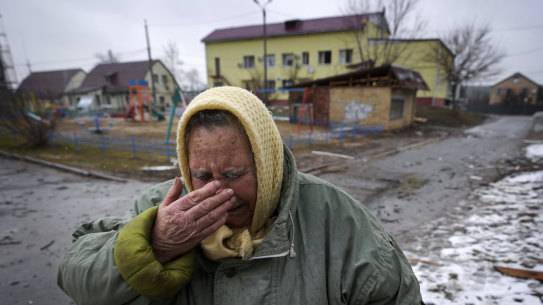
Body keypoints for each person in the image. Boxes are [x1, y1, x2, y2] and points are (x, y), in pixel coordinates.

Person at [58, 86, 422, 304]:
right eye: (201, 175)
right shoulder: (160, 210)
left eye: (234, 174)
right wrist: (154, 246)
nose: (218, 191)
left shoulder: (336, 219)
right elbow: (77, 276)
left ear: (267, 164)